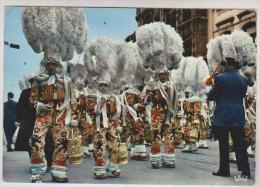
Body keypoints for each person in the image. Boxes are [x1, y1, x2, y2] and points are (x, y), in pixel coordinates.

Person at [29, 56, 74, 183]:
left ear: (58, 65)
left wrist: (73, 117)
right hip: (43, 114)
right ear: (45, 65)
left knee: (63, 142)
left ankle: (58, 171)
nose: (50, 66)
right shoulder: (38, 80)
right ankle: (37, 173)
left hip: (60, 114)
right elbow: (32, 99)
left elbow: (72, 100)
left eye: (53, 64)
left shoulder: (66, 81)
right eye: (48, 64)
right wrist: (38, 104)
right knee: (36, 140)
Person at [205, 57, 251, 180]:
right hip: (237, 114)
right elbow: (242, 95)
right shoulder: (243, 79)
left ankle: (224, 170)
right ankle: (245, 171)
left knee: (223, 144)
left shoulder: (220, 78)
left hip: (223, 115)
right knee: (240, 144)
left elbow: (211, 96)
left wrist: (213, 86)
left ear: (226, 65)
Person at [143, 68, 177, 169]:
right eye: (161, 74)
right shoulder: (153, 85)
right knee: (156, 135)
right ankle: (155, 159)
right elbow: (145, 101)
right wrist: (148, 96)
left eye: (165, 74)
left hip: (169, 113)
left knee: (169, 135)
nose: (163, 76)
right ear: (158, 75)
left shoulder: (172, 85)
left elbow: (176, 100)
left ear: (168, 75)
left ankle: (168, 159)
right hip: (157, 112)